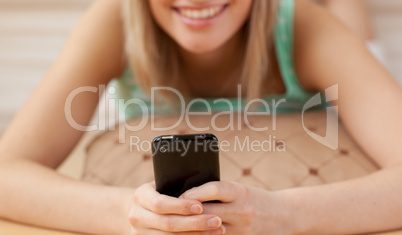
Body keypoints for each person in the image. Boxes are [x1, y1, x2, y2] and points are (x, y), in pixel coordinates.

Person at [0, 0, 401, 234]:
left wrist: (285, 214)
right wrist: (130, 213)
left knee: (354, 31)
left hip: (322, 36)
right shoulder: (113, 21)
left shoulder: (306, 27)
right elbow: (7, 173)